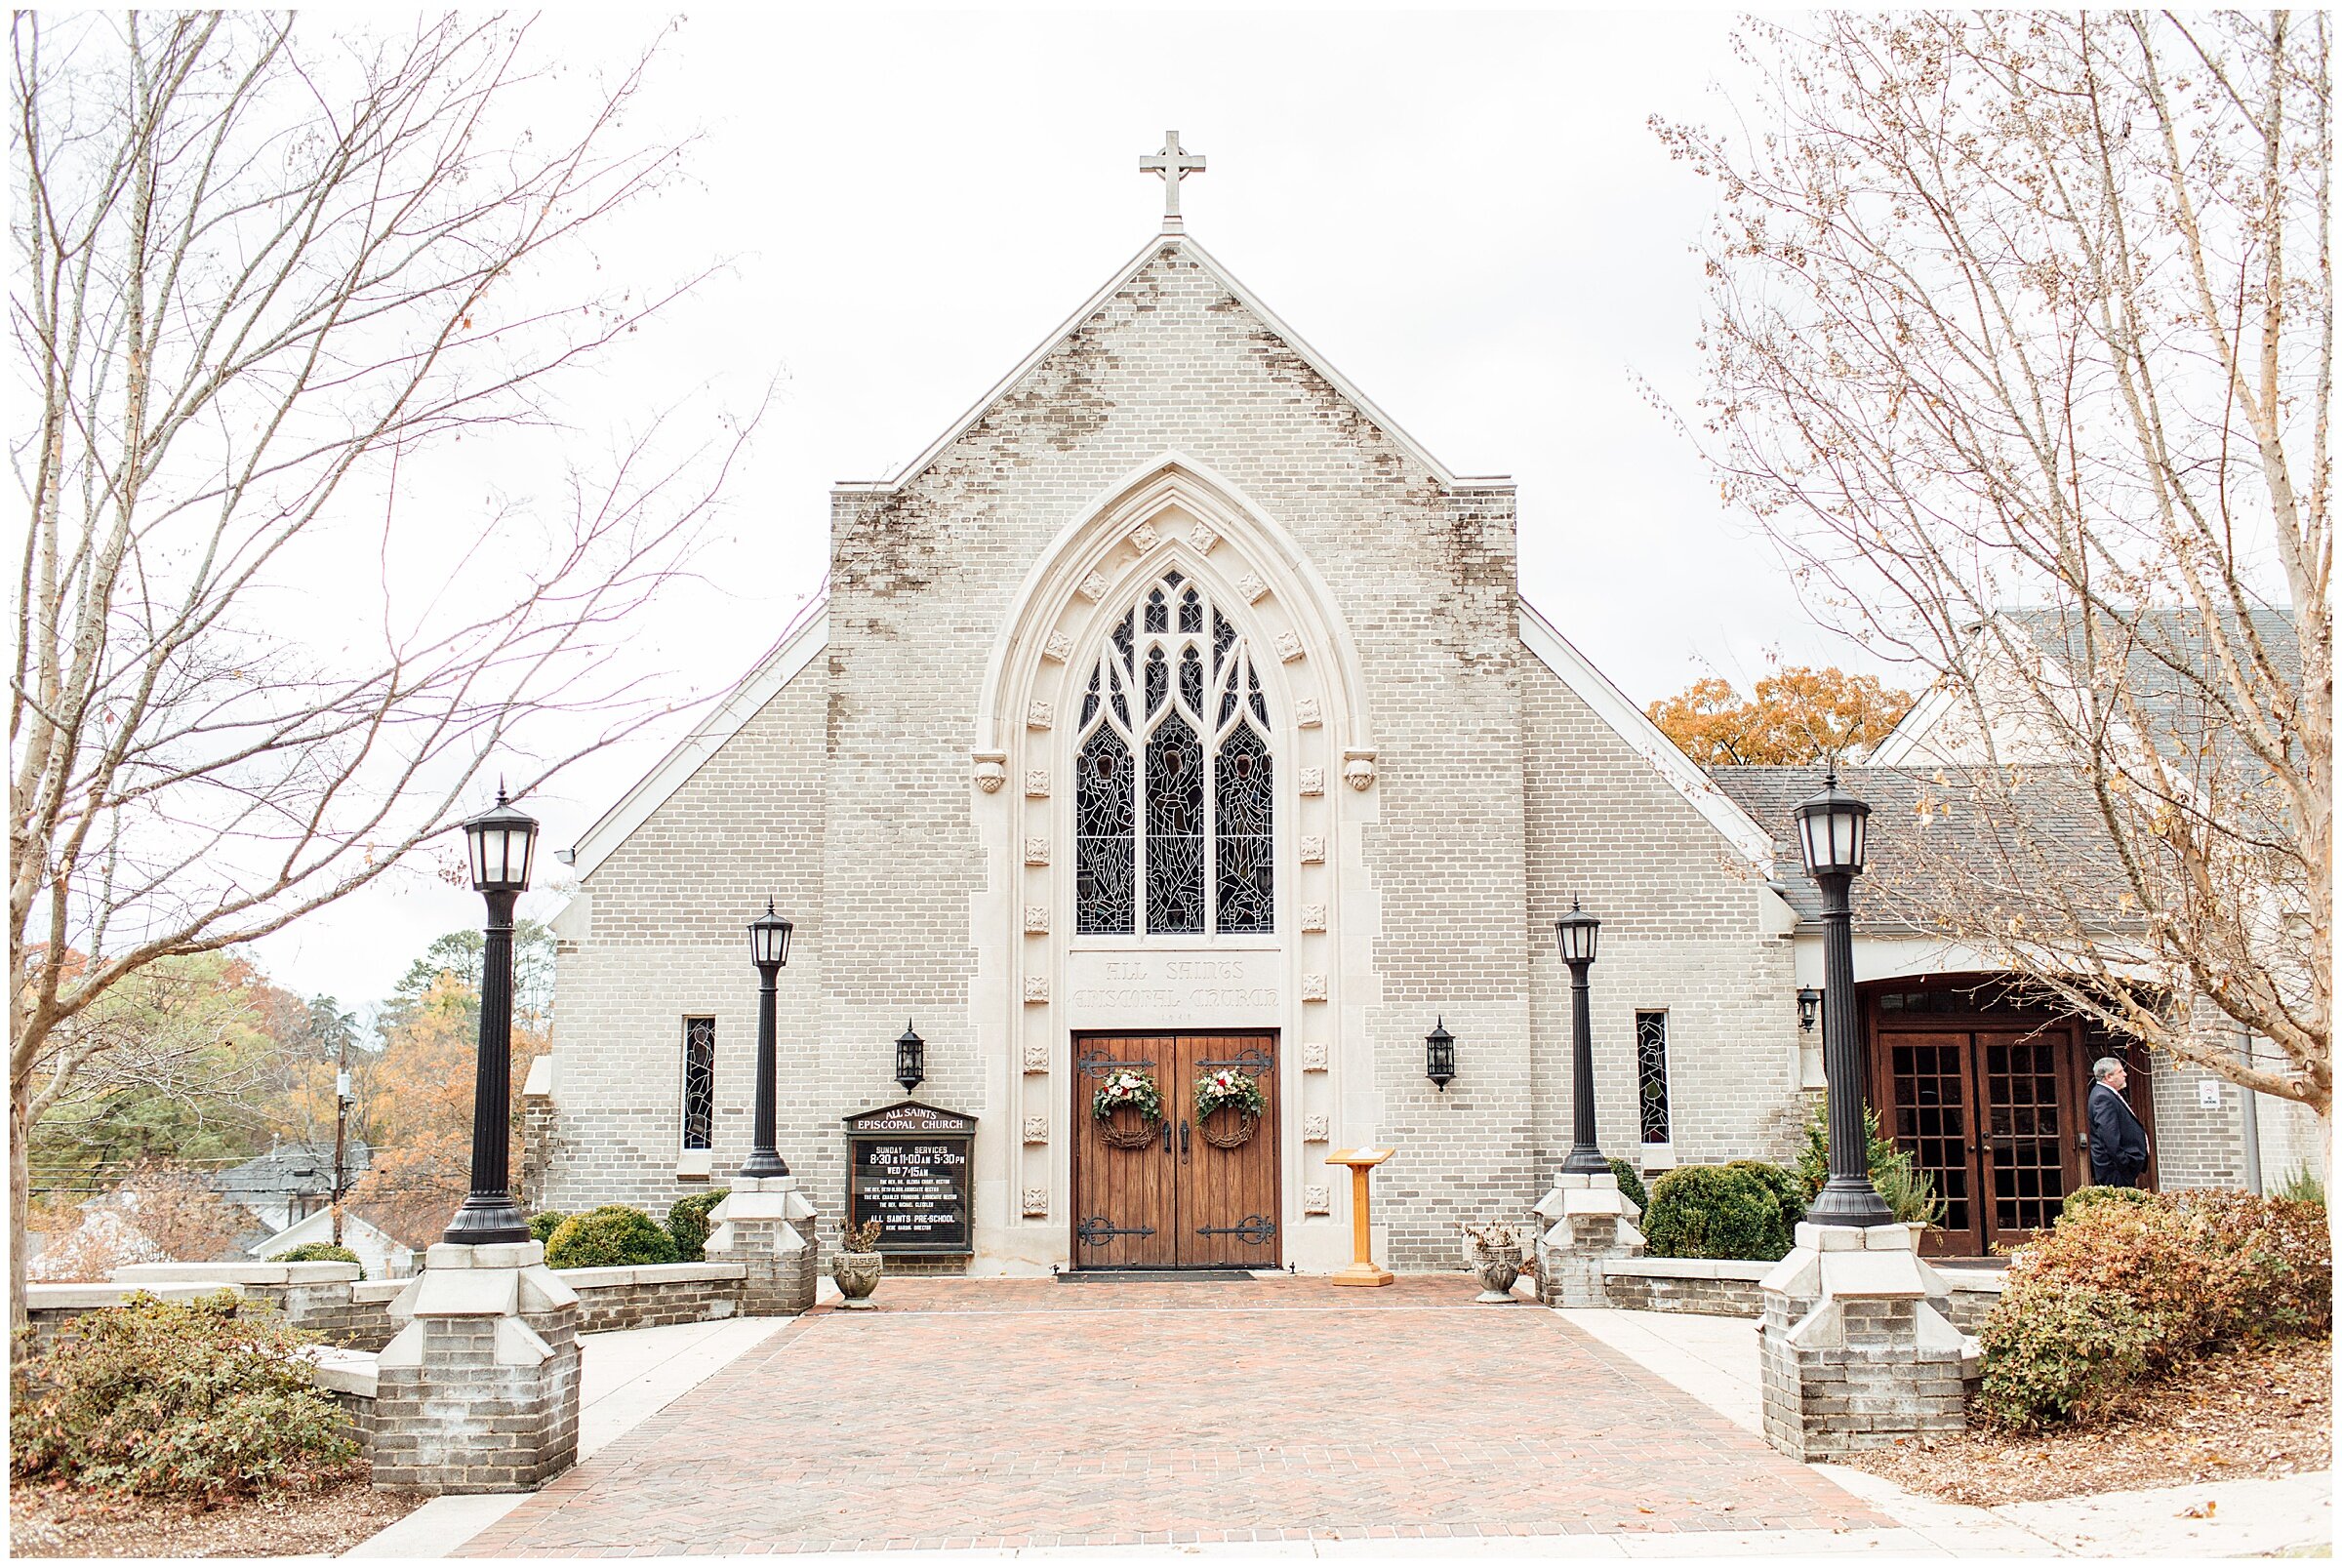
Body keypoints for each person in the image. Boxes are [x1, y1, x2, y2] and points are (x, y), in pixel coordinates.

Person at [2087, 1056, 2150, 1187]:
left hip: (2119, 1168)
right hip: (2115, 1170)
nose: (2125, 1074)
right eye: (2120, 1072)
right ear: (2108, 1077)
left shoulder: (2106, 1093)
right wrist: (2124, 1162)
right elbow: (2109, 1135)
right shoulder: (2102, 1097)